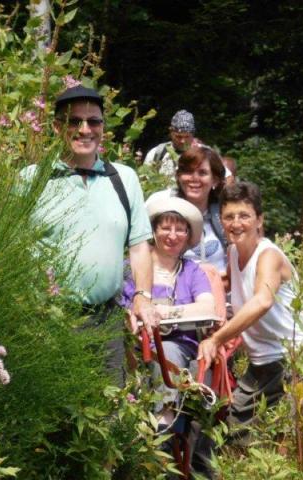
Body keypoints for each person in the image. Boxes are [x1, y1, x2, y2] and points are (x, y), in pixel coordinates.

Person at [19, 85, 159, 386]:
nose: (85, 129)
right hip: (49, 320)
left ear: (102, 128)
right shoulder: (32, 180)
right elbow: (12, 249)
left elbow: (138, 246)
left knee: (108, 414)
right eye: (74, 121)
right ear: (57, 127)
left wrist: (143, 297)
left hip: (106, 320)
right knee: (53, 420)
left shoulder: (124, 179)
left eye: (93, 121)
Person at [197, 181, 303, 426]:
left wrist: (216, 339)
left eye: (244, 216)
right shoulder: (233, 251)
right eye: (229, 217)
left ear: (259, 220)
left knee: (289, 443)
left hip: (296, 361)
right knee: (231, 431)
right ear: (221, 221)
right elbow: (228, 283)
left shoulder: (268, 256)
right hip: (261, 365)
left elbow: (262, 300)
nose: (236, 223)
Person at [119, 196, 215, 428]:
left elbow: (207, 306)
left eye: (179, 230)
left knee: (169, 351)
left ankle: (164, 417)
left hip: (177, 346)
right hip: (135, 345)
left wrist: (166, 311)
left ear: (187, 236)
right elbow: (120, 305)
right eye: (165, 228)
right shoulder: (130, 268)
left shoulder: (192, 271)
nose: (172, 235)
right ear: (153, 231)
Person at [146, 146, 228, 276]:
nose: (194, 178)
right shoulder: (160, 202)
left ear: (215, 180)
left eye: (202, 173)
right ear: (178, 176)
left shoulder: (225, 211)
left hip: (218, 288)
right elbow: (140, 245)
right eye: (188, 172)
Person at [143, 109, 199, 178]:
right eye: (178, 136)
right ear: (171, 133)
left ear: (193, 134)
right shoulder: (156, 153)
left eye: (187, 137)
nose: (183, 141)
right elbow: (144, 181)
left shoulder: (203, 154)